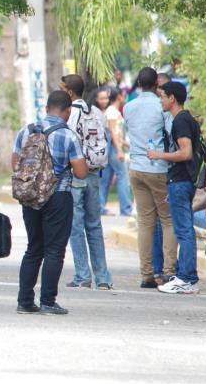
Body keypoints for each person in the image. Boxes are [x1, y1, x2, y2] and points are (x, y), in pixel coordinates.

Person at [13, 91, 88, 315]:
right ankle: (47, 301)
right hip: (58, 196)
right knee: (54, 250)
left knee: (33, 249)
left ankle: (25, 301)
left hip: (30, 197)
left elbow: (15, 163)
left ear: (46, 108)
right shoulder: (69, 136)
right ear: (67, 112)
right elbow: (81, 172)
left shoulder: (27, 130)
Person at [123, 67, 177, 288]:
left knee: (145, 222)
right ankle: (168, 272)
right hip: (158, 167)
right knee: (167, 220)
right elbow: (171, 134)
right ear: (157, 84)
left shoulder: (128, 107)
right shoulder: (160, 106)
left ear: (138, 82)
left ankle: (146, 274)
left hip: (136, 167)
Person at [148, 82, 201, 294]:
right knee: (183, 229)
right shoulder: (185, 119)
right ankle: (186, 275)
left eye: (162, 97)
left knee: (184, 230)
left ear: (172, 98)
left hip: (181, 180)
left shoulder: (180, 120)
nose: (160, 101)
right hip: (180, 181)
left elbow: (185, 152)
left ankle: (187, 278)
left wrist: (158, 155)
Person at [61, 75, 113, 290]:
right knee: (94, 225)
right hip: (94, 175)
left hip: (75, 174)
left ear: (70, 92)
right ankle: (103, 278)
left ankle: (83, 275)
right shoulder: (97, 113)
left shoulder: (69, 113)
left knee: (75, 226)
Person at [99, 86, 132, 216]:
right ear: (119, 96)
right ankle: (126, 209)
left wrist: (124, 143)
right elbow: (112, 131)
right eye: (123, 95)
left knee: (105, 179)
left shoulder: (112, 111)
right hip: (113, 148)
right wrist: (119, 150)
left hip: (113, 147)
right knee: (123, 176)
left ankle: (100, 207)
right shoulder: (112, 111)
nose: (125, 97)